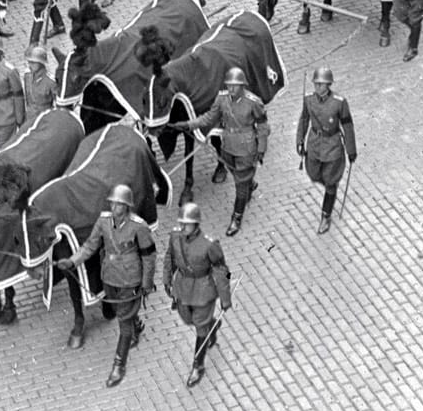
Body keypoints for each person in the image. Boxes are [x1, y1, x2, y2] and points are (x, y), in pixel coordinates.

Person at [58, 183, 157, 388]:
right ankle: (135, 323)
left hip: (130, 279)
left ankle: (119, 365)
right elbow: (90, 246)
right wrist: (72, 261)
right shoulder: (103, 222)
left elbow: (149, 256)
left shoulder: (138, 226)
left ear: (127, 206)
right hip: (109, 277)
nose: (113, 207)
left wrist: (146, 283)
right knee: (119, 310)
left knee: (124, 323)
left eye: (118, 204)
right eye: (112, 203)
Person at [176, 68, 270, 237]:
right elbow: (209, 118)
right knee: (236, 174)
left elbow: (263, 126)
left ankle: (237, 217)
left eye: (235, 86)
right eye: (229, 85)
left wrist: (261, 149)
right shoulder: (221, 99)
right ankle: (249, 183)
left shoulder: (253, 102)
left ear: (242, 85)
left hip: (246, 149)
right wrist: (189, 125)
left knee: (240, 186)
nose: (231, 88)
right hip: (227, 148)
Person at [163, 201, 232, 388]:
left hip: (203, 289)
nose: (183, 226)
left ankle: (198, 366)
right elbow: (170, 258)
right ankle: (213, 325)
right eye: (182, 222)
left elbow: (221, 269)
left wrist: (225, 298)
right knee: (187, 319)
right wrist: (167, 280)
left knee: (200, 327)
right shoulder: (175, 237)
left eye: (187, 223)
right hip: (183, 287)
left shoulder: (209, 244)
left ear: (196, 224)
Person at [295, 66, 357, 234]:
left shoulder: (339, 102)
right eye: (316, 83)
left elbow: (347, 125)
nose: (318, 87)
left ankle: (326, 214)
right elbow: (304, 119)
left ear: (328, 84)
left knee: (330, 181)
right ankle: (330, 184)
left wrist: (351, 149)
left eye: (321, 84)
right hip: (314, 144)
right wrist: (300, 140)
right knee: (313, 174)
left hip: (332, 145)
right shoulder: (308, 99)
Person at [23, 46, 56, 124]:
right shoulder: (27, 75)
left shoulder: (50, 81)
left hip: (45, 119)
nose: (30, 65)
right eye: (29, 62)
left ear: (41, 63)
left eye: (33, 63)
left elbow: (58, 104)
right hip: (30, 118)